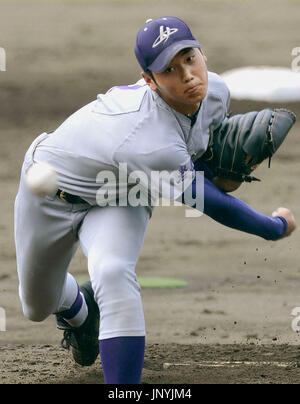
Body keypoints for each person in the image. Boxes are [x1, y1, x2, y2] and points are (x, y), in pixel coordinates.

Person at [14, 16, 296, 384]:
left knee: (114, 273)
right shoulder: (148, 138)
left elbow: (198, 153)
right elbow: (210, 201)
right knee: (36, 305)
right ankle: (81, 315)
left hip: (124, 193)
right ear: (149, 80)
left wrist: (211, 170)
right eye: (170, 69)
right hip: (52, 197)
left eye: (190, 58)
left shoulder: (217, 94)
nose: (188, 75)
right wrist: (272, 227)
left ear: (203, 54)